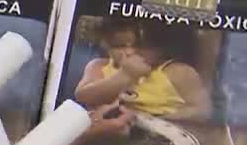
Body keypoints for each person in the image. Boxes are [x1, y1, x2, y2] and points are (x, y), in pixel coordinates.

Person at [74, 19, 210, 121]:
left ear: (160, 49)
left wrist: (158, 119)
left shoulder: (178, 72)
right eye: (119, 46)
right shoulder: (99, 66)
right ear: (106, 45)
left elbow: (203, 110)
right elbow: (83, 96)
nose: (129, 52)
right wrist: (124, 76)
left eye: (140, 46)